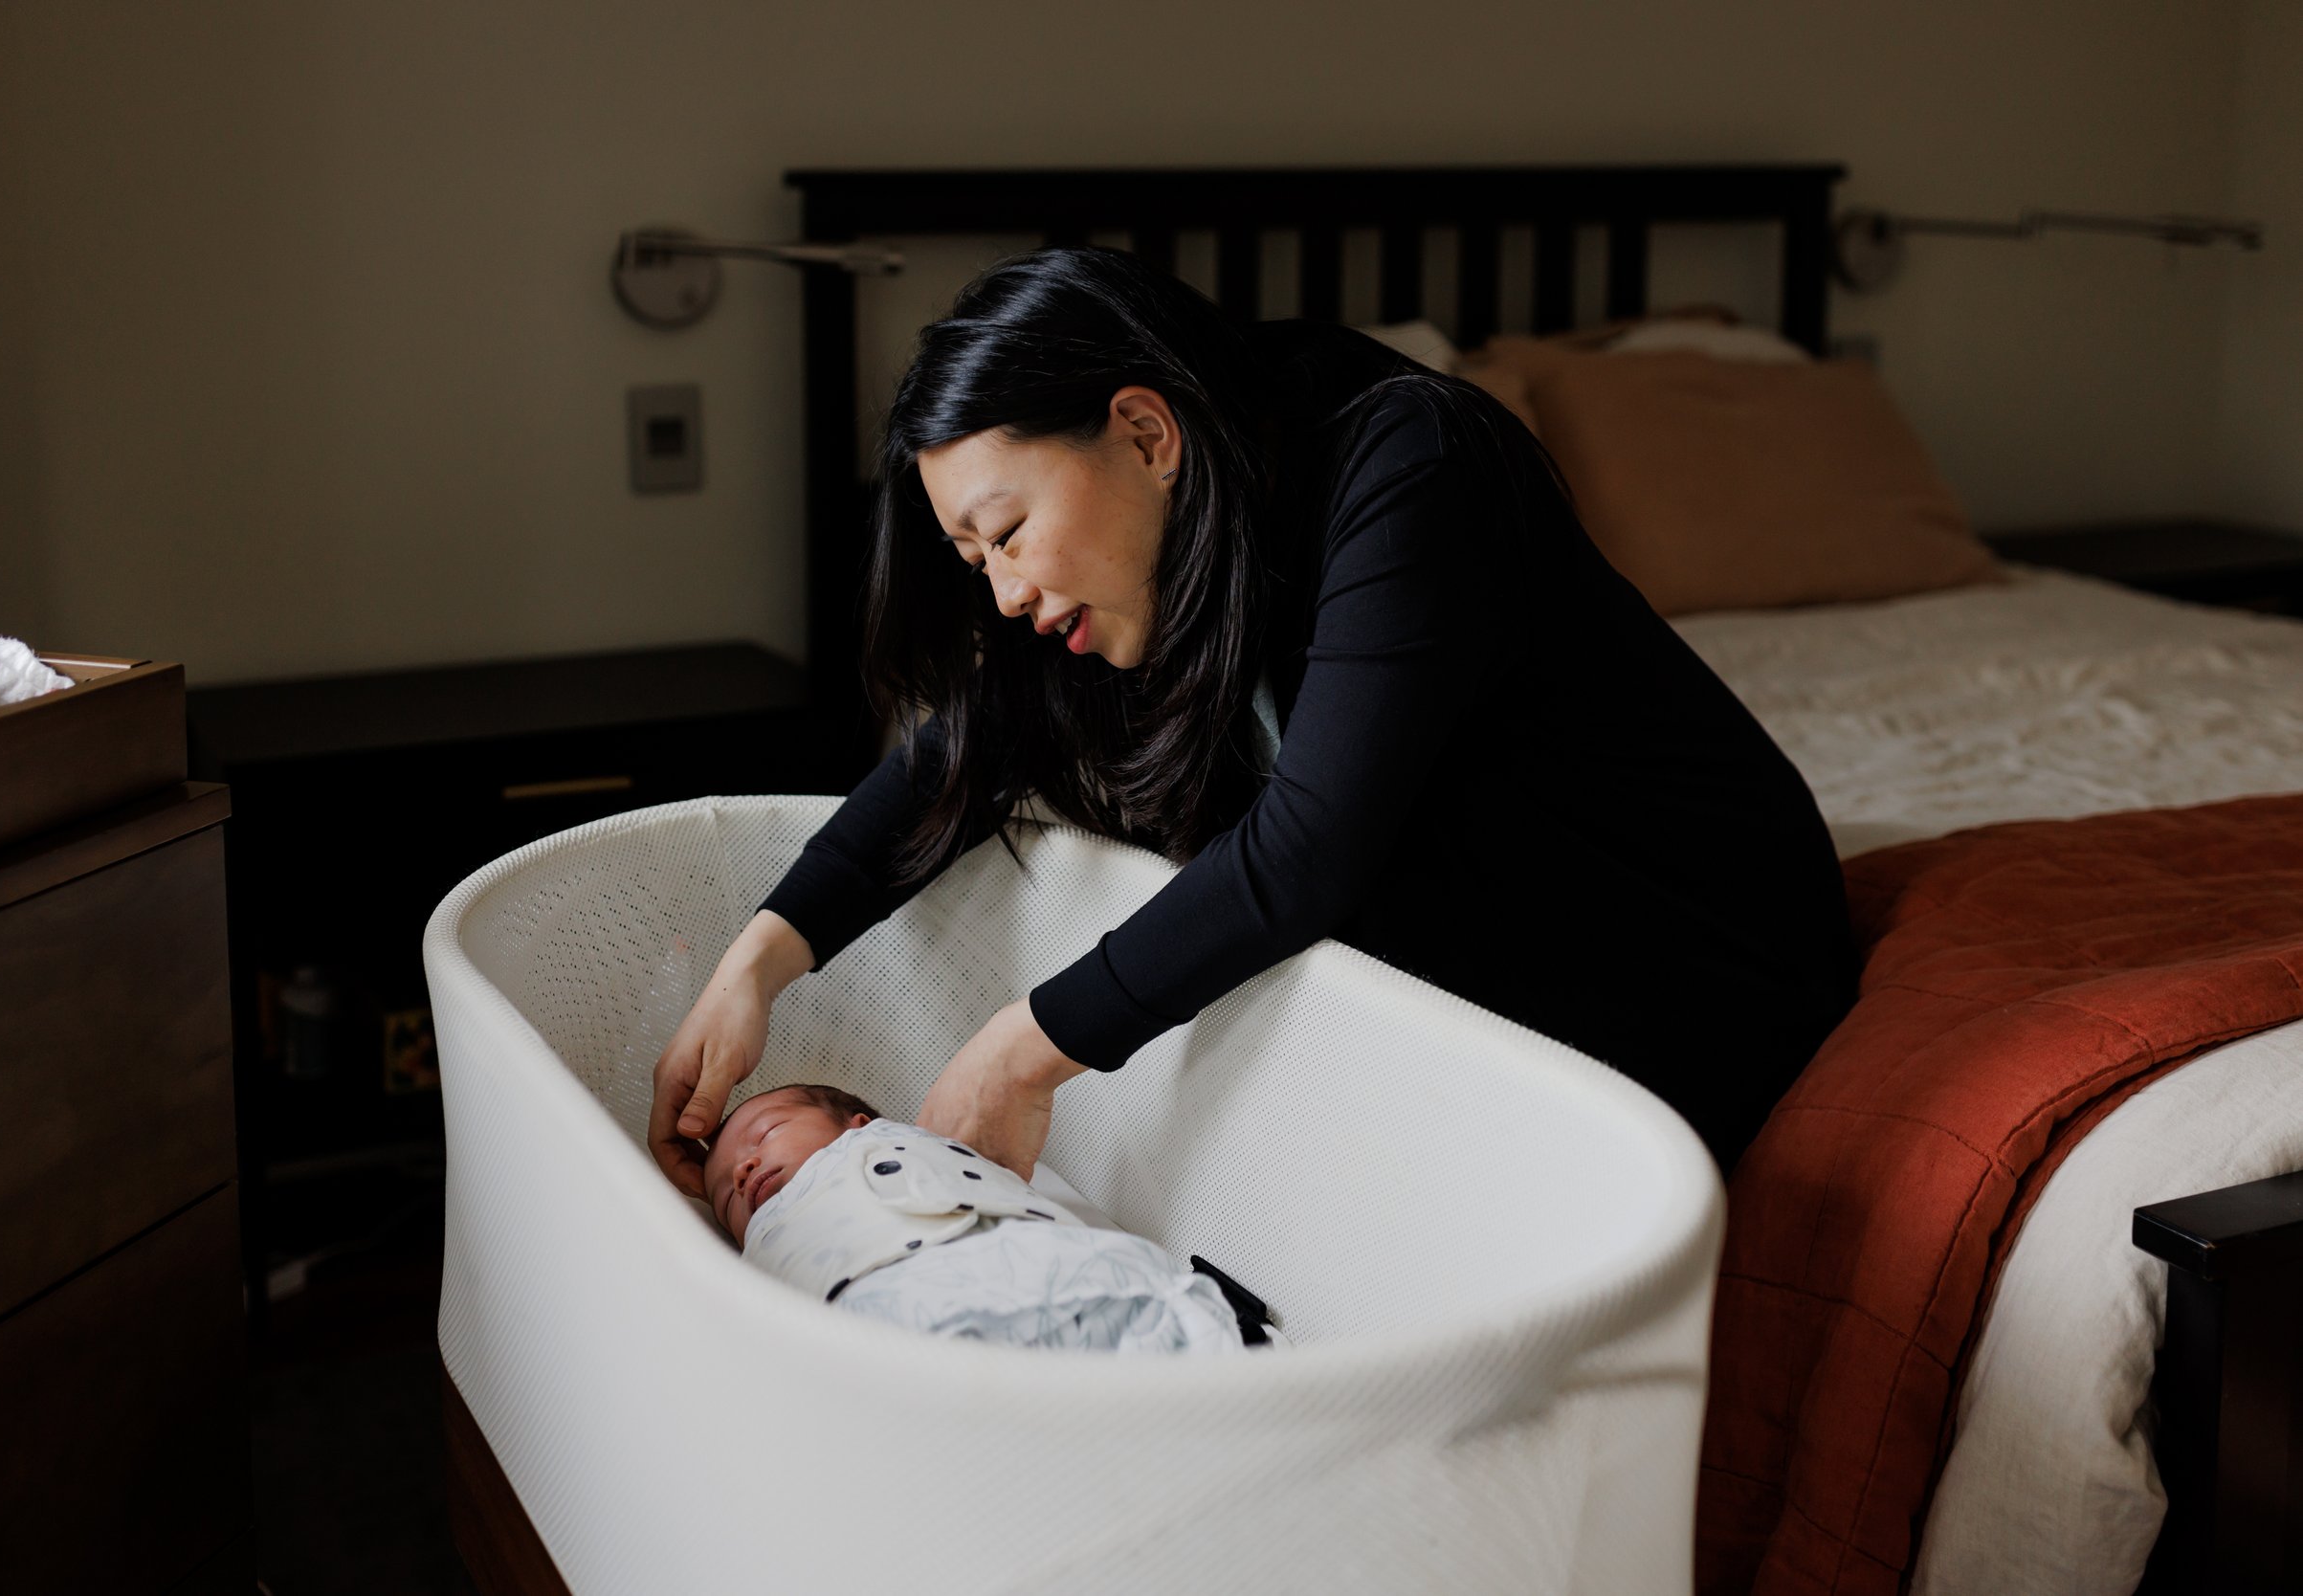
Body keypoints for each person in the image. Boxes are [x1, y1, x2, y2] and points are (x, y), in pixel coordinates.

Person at [650, 246, 1856, 1189]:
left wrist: (1022, 1050)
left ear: (1144, 433)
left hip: (1698, 954)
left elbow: (1307, 848)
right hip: (1528, 939)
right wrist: (762, 959)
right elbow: (966, 744)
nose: (1006, 592)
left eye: (1008, 534)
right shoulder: (1165, 545)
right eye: (975, 559)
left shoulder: (1407, 465)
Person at [702, 1081, 1247, 1352]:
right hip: (887, 1332)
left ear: (858, 1124)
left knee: (1132, 1304)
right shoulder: (758, 1261)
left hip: (1017, 1261)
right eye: (727, 1200)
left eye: (767, 1133)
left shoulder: (878, 1146)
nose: (744, 1172)